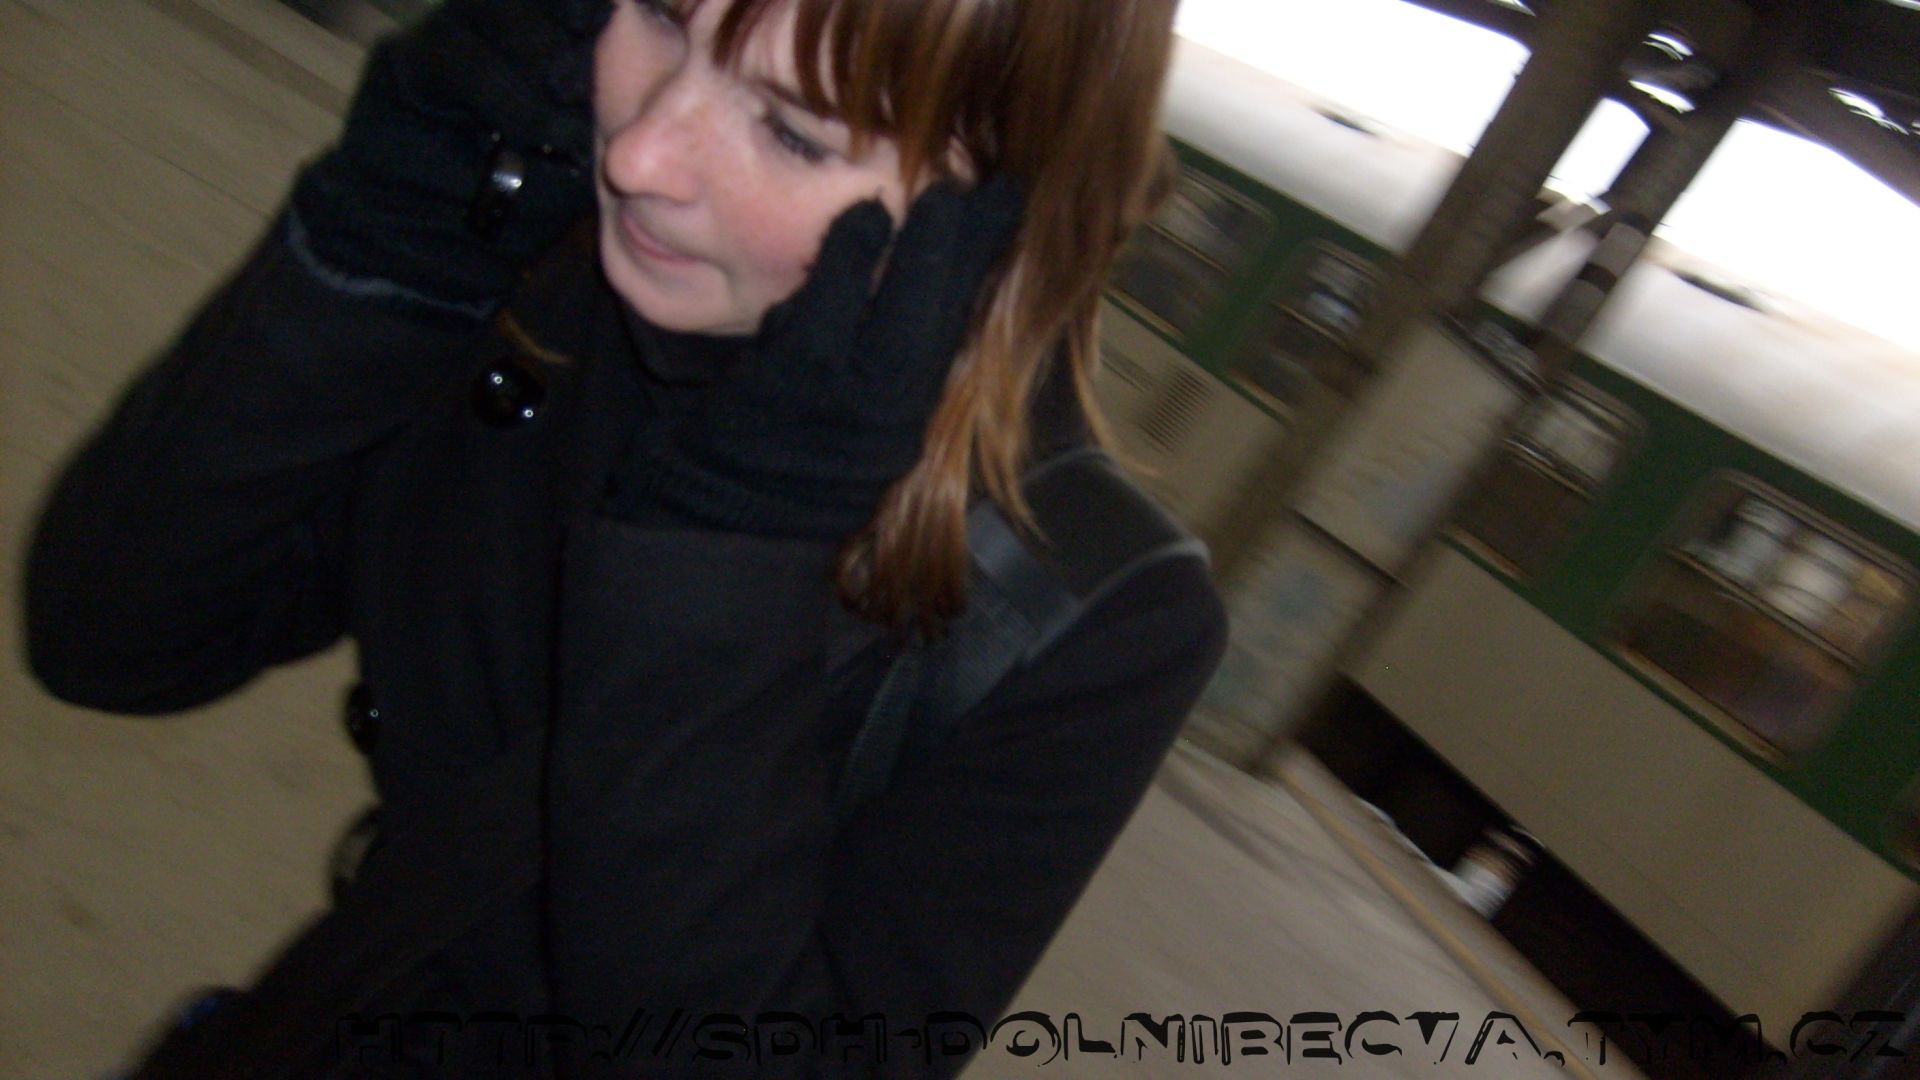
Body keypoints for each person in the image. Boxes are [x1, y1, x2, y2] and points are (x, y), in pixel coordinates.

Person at [25, 0, 1227, 1075]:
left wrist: (726, 557)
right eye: (655, 15)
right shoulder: (558, 275)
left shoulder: (1083, 610)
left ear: (1003, 212)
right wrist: (384, 241)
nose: (641, 153)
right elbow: (113, 636)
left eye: (792, 132)